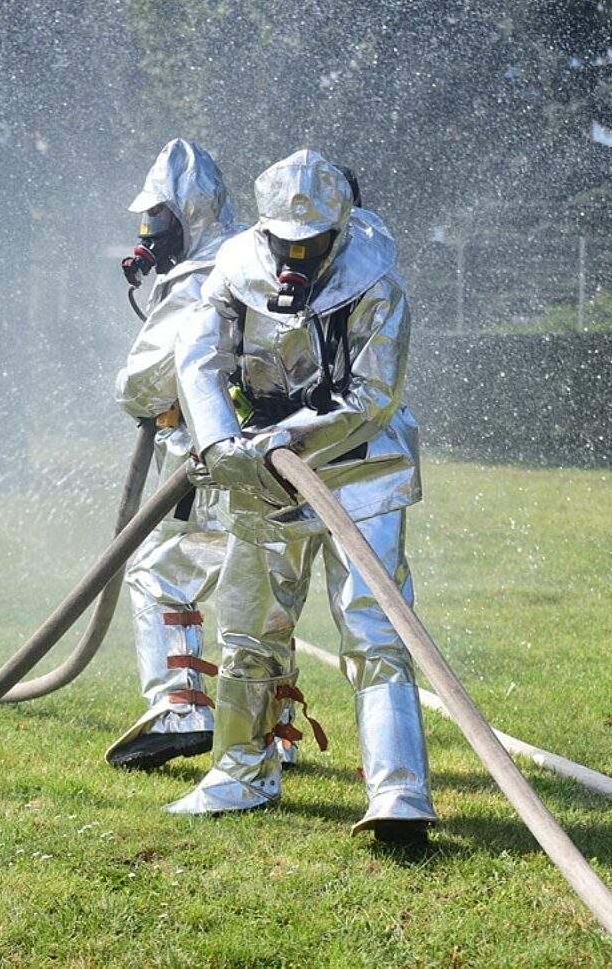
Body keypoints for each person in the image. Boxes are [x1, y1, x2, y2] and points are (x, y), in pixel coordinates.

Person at [167, 148, 436, 844]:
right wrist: (222, 442)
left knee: (377, 631)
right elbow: (199, 358)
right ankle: (239, 772)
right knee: (250, 629)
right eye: (285, 243)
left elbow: (373, 397)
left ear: (339, 232)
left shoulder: (377, 284)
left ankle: (399, 791)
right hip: (260, 473)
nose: (296, 257)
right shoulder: (234, 271)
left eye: (310, 243)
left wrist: (277, 442)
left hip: (359, 470)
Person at [104, 138, 242, 771]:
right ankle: (271, 732)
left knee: (158, 575)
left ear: (191, 213)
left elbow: (142, 384)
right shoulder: (251, 262)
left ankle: (180, 710)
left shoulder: (194, 282)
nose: (150, 232)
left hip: (206, 468)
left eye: (159, 216)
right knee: (257, 592)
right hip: (272, 463)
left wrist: (135, 387)